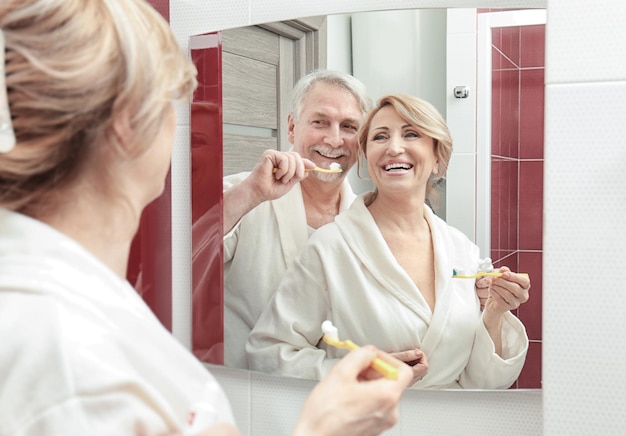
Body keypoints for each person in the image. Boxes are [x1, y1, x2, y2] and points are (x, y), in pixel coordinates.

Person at [0, 1, 414, 434]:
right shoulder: (67, 355)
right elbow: (183, 265)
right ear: (125, 123)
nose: (182, 129)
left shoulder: (82, 299)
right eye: (170, 106)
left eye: (350, 127)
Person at [247, 94, 531, 389]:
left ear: (437, 158)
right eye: (380, 137)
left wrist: (495, 313)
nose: (394, 148)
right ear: (368, 160)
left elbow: (482, 383)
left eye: (411, 134)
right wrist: (362, 374)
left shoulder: (462, 251)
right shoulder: (332, 248)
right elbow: (269, 353)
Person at [215, 69, 372, 368]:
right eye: (320, 122)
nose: (334, 139)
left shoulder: (367, 222)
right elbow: (180, 255)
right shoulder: (241, 193)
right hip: (243, 386)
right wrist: (251, 193)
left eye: (349, 126)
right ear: (291, 127)